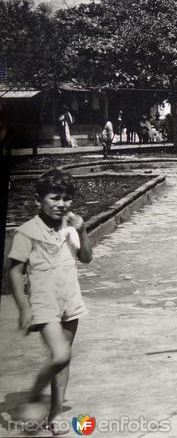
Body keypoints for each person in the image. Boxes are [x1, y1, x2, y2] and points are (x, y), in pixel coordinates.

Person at [8, 169, 93, 434]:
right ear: (38, 200)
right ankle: (34, 396)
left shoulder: (70, 227)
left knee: (63, 359)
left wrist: (82, 229)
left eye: (67, 198)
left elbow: (87, 258)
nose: (62, 204)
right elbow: (13, 270)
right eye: (55, 198)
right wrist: (23, 307)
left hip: (70, 299)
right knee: (60, 354)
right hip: (43, 303)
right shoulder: (27, 232)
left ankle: (55, 415)